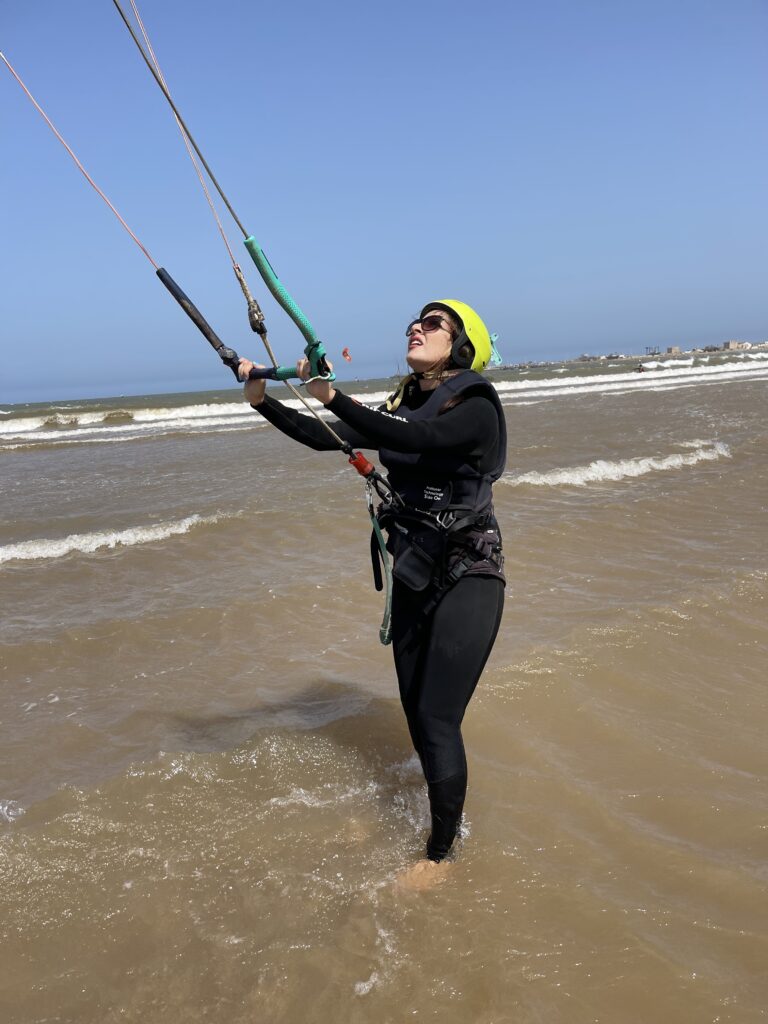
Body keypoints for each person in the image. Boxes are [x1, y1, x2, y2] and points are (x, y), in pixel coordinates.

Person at [239, 300, 507, 888]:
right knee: (415, 713)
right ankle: (425, 811)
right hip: (414, 569)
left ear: (463, 344)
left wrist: (336, 395)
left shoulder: (477, 403)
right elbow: (324, 435)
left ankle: (440, 856)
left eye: (434, 323)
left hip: (469, 572)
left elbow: (427, 437)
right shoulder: (401, 402)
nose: (417, 326)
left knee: (437, 718)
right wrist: (264, 400)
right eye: (416, 320)